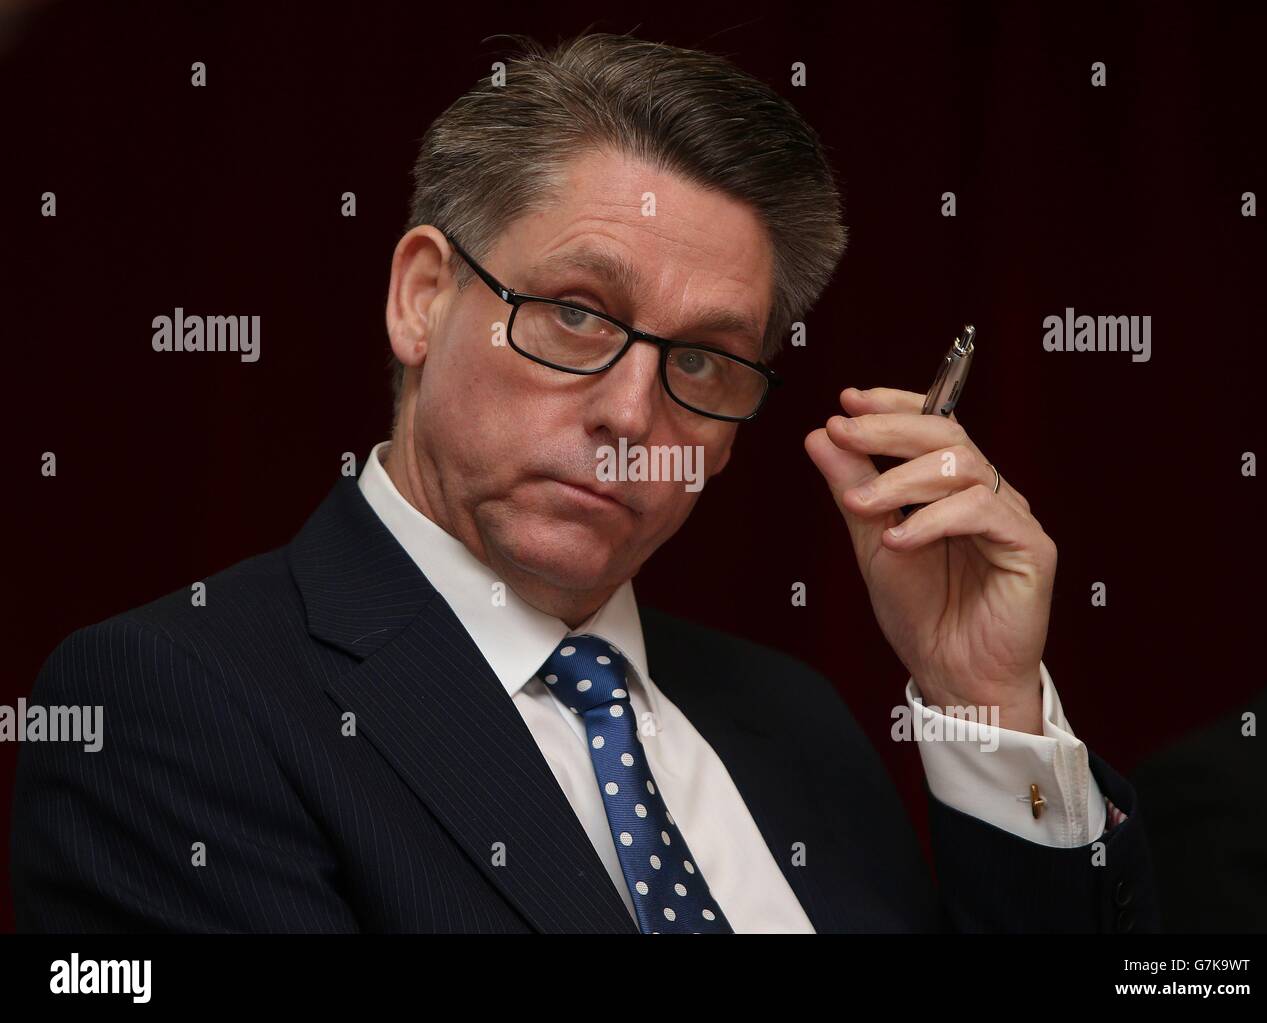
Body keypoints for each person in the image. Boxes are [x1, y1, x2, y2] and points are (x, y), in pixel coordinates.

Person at [11, 32, 1156, 933]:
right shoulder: (175, 703)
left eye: (702, 358)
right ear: (421, 296)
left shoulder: (792, 724)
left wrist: (983, 703)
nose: (629, 412)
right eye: (575, 314)